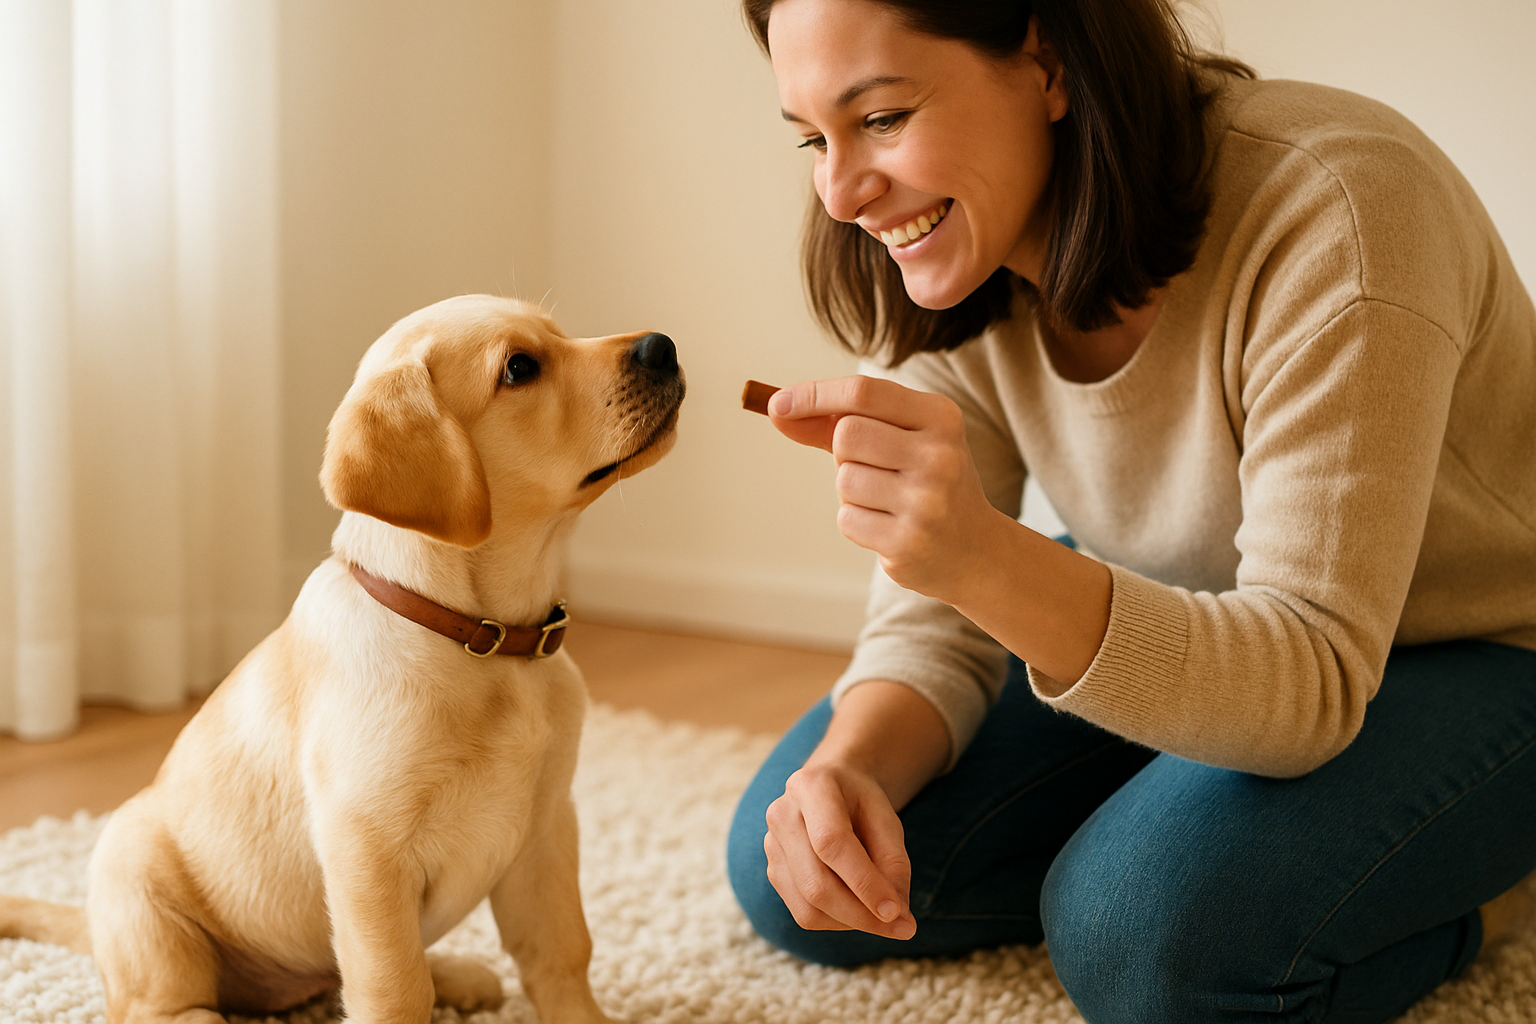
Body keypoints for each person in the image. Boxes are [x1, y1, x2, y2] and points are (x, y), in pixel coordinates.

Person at [723, 1, 1536, 1021]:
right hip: (1203, 617)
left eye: (881, 118)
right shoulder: (951, 253)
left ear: (1048, 58)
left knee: (1136, 932)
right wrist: (845, 768)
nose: (840, 193)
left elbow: (1312, 678)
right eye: (812, 137)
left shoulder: (1341, 201)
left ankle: (1495, 882)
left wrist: (980, 556)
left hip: (1479, 648)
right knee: (802, 865)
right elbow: (931, 627)